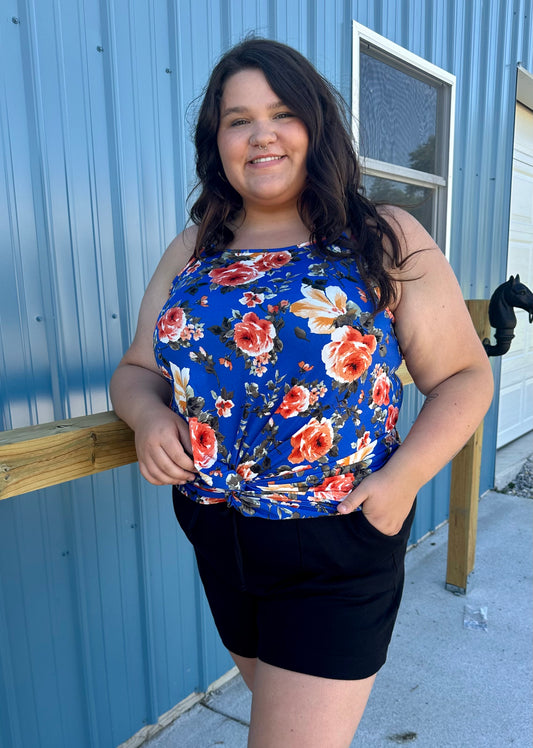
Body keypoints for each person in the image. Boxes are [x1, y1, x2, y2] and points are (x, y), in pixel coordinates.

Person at [110, 38, 493, 747]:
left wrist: (399, 484)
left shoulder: (381, 237)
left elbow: (465, 378)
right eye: (237, 118)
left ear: (316, 125)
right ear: (215, 139)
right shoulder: (194, 248)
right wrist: (144, 415)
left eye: (282, 112)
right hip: (214, 528)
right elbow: (138, 368)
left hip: (338, 534)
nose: (261, 134)